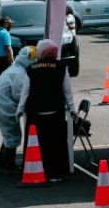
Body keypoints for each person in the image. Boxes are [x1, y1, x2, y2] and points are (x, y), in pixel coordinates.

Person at [20, 39, 74, 181]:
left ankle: (36, 169)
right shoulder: (62, 67)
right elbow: (67, 91)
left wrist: (19, 109)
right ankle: (55, 173)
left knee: (37, 143)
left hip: (35, 112)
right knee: (56, 143)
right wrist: (72, 109)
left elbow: (25, 92)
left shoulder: (30, 68)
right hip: (55, 111)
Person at [0, 46, 35, 173]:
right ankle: (8, 165)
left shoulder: (15, 68)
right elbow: (19, 94)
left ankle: (1, 162)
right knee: (13, 137)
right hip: (5, 108)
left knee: (8, 135)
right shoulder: (19, 73)